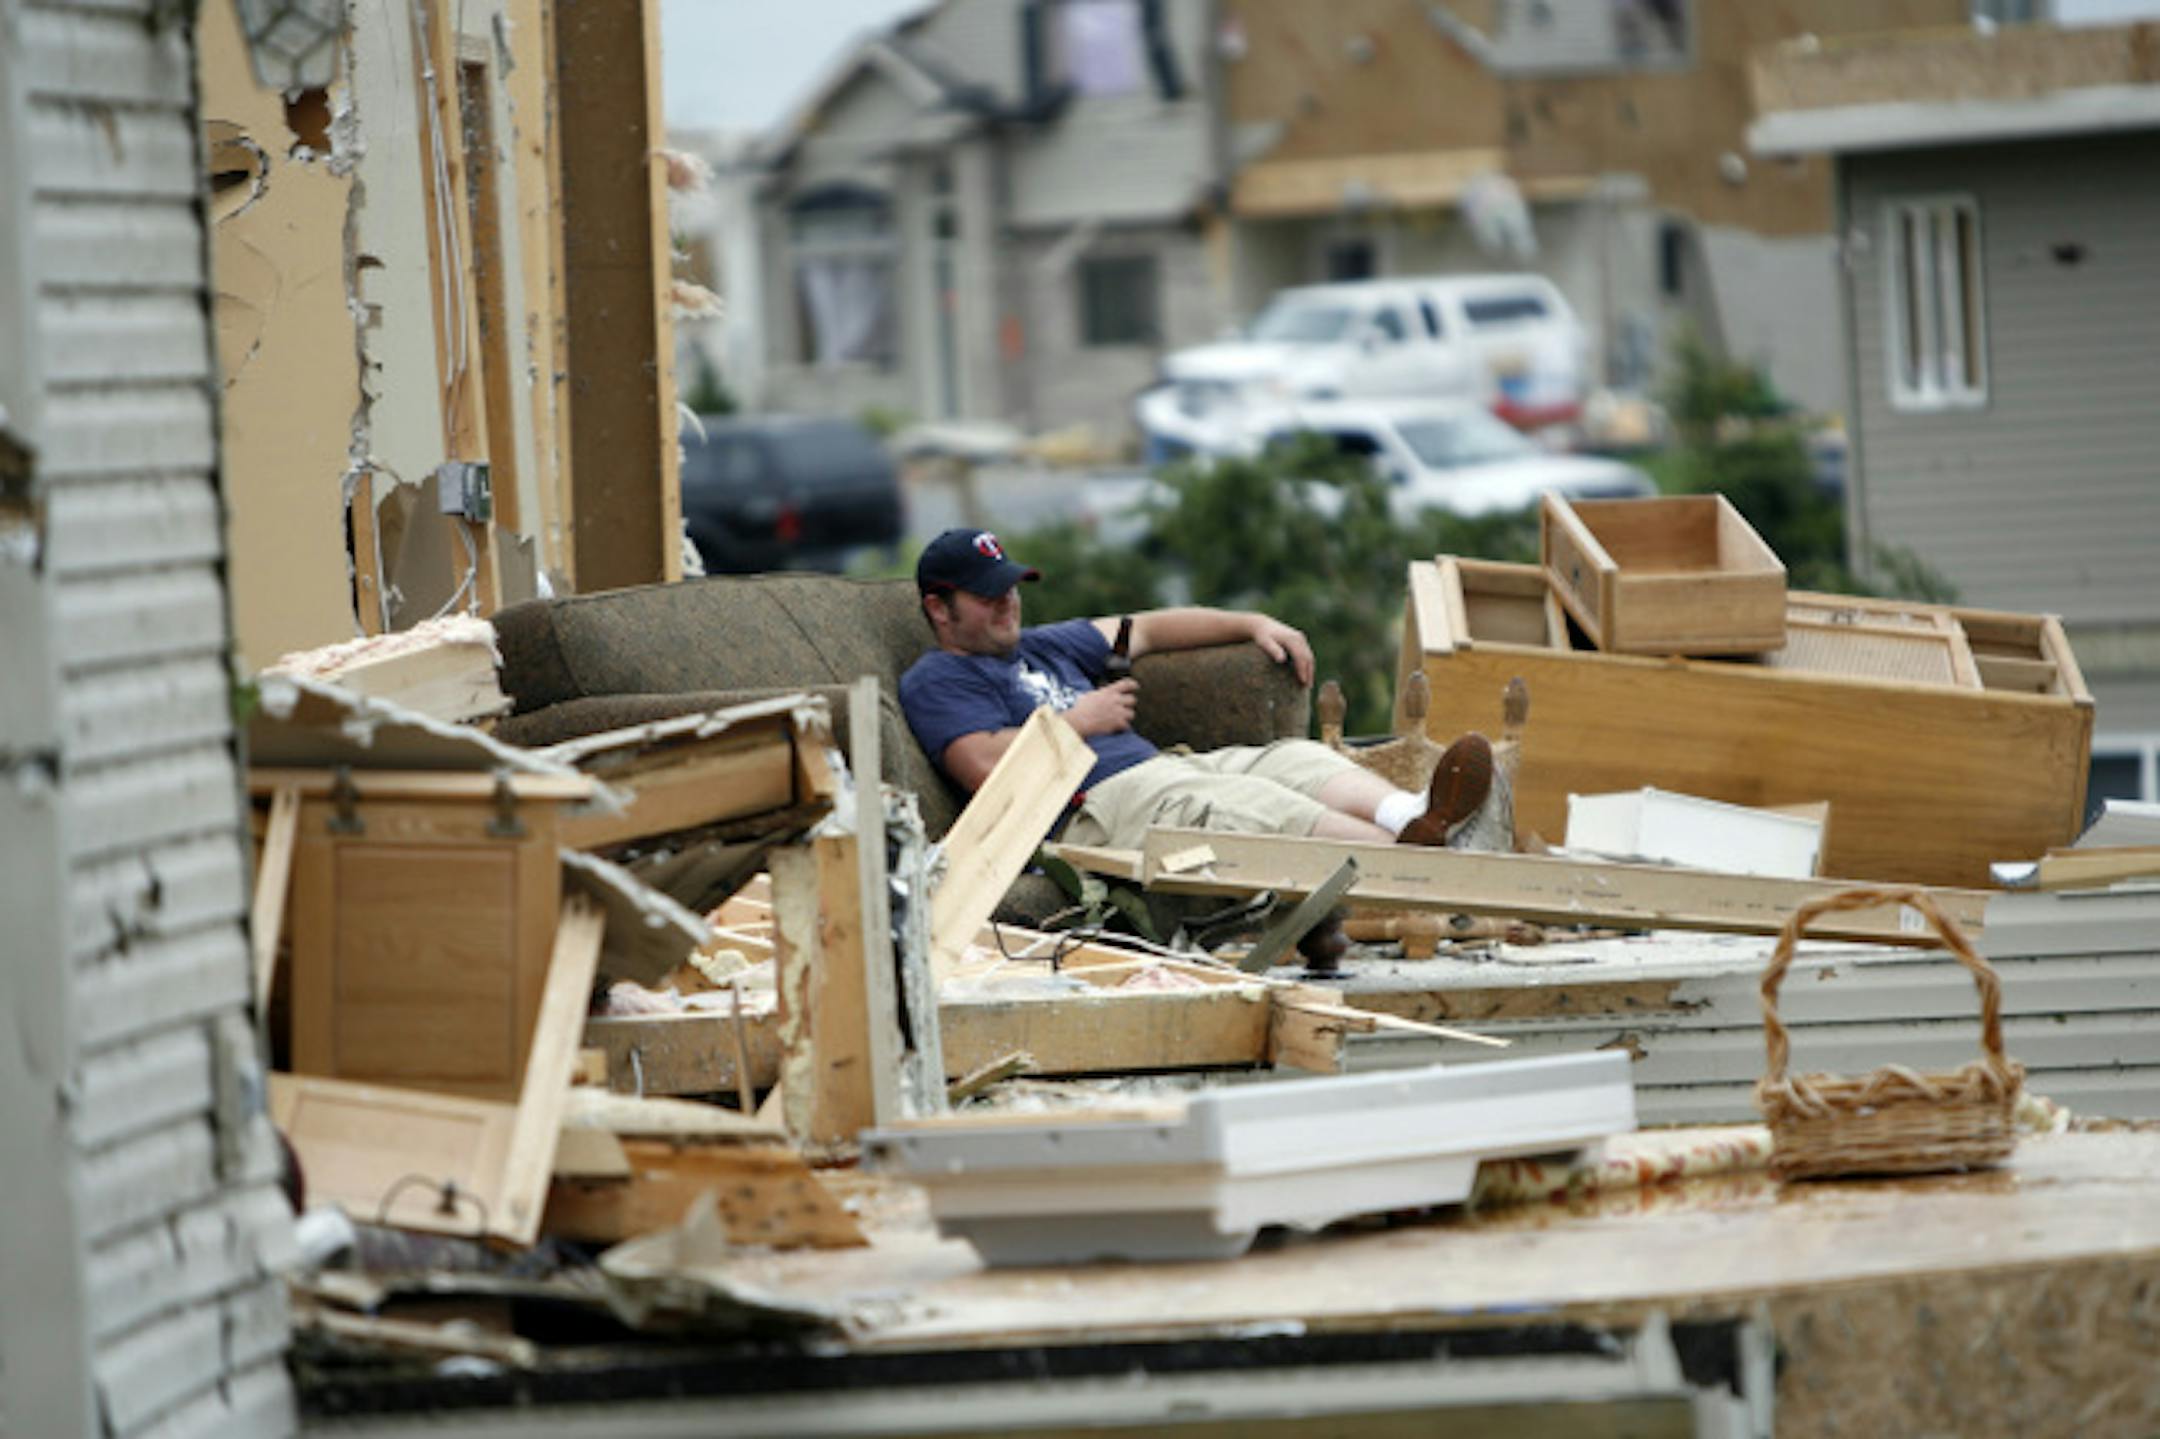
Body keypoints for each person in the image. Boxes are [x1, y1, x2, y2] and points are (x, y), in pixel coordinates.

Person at [898, 527, 1494, 853]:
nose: (1008, 603)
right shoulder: (937, 680)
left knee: (1290, 759)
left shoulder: (1043, 644)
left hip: (1163, 770)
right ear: (939, 608)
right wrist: (1078, 720)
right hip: (1096, 807)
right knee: (1257, 808)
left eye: (1011, 587)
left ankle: (1409, 815)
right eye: (987, 594)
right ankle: (1409, 863)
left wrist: (1252, 624)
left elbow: (1150, 628)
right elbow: (982, 766)